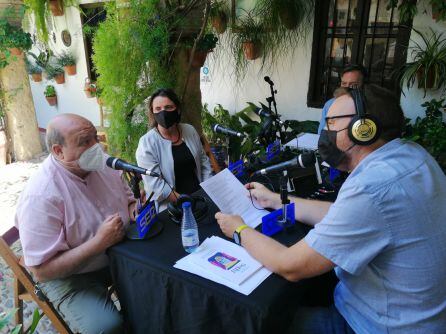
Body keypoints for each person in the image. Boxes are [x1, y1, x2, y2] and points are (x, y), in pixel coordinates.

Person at [215, 84, 446, 333]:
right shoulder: (411, 155)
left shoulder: (372, 186)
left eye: (332, 123)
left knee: (263, 322)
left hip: (375, 325)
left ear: (363, 129)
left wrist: (239, 229)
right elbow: (342, 215)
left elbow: (290, 265)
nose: (324, 131)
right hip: (416, 318)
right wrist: (274, 200)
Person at [15, 114, 136, 334]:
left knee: (158, 284)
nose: (95, 147)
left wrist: (133, 207)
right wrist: (99, 242)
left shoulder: (99, 163)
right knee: (106, 327)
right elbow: (42, 271)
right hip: (69, 276)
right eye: (84, 142)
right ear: (58, 151)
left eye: (94, 138)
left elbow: (128, 198)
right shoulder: (41, 195)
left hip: (117, 253)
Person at [136, 88, 212, 209]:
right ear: (152, 113)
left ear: (178, 109)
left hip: (201, 196)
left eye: (168, 107)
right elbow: (155, 185)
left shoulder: (189, 130)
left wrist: (208, 191)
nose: (163, 112)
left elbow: (204, 162)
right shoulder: (146, 143)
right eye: (158, 109)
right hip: (172, 207)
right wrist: (185, 201)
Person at [318, 64, 367, 134]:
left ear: (363, 85)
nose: (347, 87)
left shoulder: (371, 106)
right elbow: (321, 132)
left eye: (354, 85)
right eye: (344, 83)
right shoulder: (330, 104)